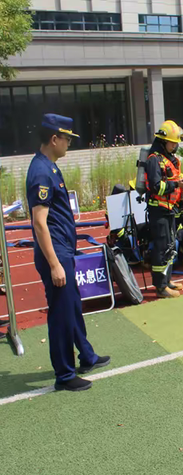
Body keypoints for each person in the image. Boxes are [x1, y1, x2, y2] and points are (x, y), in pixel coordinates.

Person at [26, 114, 110, 392]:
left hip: (62, 250)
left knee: (72, 306)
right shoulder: (40, 171)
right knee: (61, 313)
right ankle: (64, 374)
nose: (69, 144)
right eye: (67, 139)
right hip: (56, 253)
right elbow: (39, 222)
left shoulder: (49, 166)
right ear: (54, 139)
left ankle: (86, 356)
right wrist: (54, 264)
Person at [144, 120, 183, 298]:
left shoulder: (168, 159)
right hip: (159, 210)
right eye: (173, 142)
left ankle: (167, 280)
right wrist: (175, 184)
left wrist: (182, 185)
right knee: (162, 247)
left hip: (169, 209)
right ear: (163, 142)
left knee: (170, 247)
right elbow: (156, 187)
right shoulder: (154, 160)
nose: (175, 145)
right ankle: (160, 286)